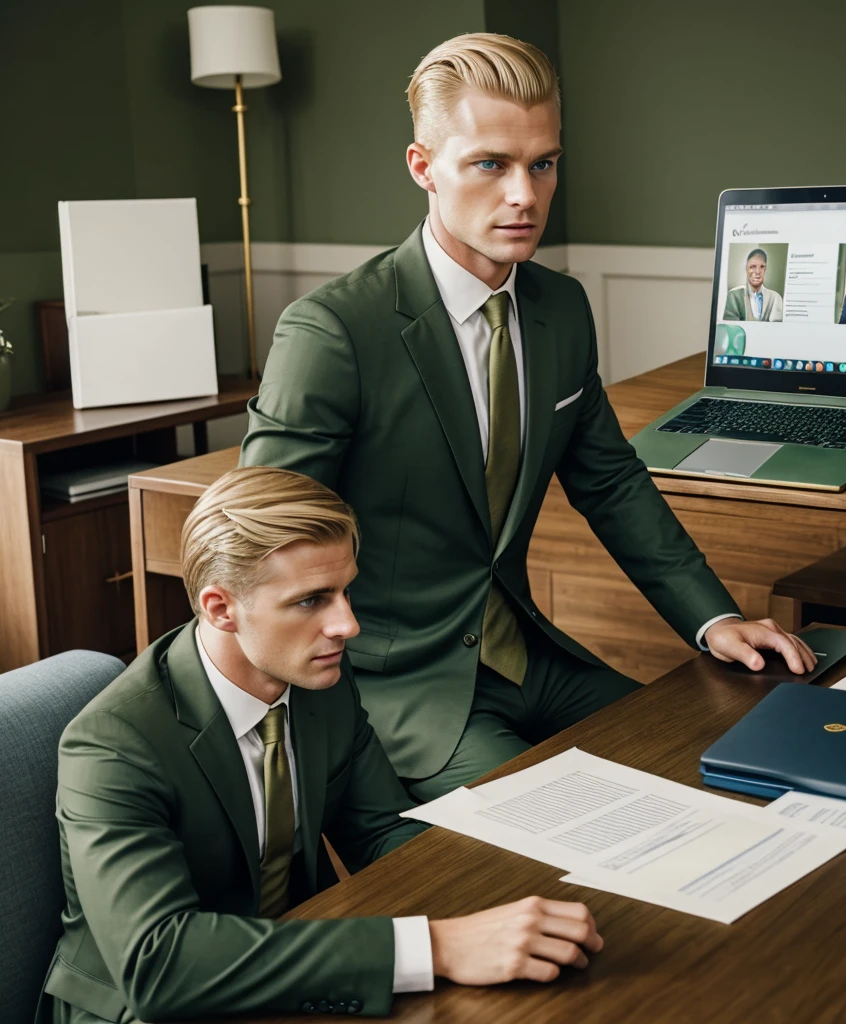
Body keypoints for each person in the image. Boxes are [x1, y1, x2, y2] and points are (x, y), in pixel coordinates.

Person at [241, 32, 816, 802]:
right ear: (423, 168)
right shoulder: (333, 331)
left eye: (542, 164)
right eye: (490, 164)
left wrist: (714, 619)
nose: (525, 194)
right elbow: (262, 544)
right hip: (402, 684)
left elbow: (610, 481)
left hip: (528, 653)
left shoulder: (561, 308)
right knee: (575, 828)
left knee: (713, 764)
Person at [38, 467, 603, 1023]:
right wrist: (435, 948)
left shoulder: (316, 679)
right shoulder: (111, 746)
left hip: (301, 972)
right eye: (311, 600)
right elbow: (158, 964)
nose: (347, 624)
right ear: (220, 609)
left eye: (346, 591)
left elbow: (382, 832)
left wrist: (517, 883)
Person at [723, 248, 784, 321]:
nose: (758, 271)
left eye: (762, 267)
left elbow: (776, 328)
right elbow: (732, 328)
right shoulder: (733, 295)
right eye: (752, 267)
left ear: (765, 269)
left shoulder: (775, 298)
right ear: (746, 269)